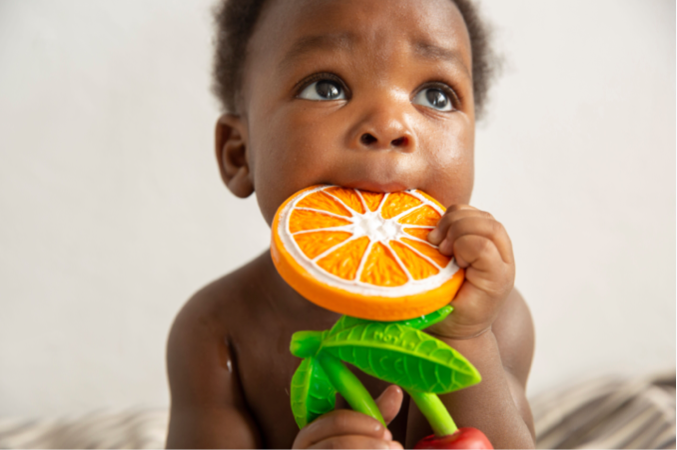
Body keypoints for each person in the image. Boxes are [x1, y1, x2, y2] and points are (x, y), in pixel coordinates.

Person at [166, 0, 535, 448]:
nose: (389, 124)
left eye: (435, 95)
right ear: (239, 155)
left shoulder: (497, 317)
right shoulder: (215, 330)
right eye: (326, 87)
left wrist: (466, 339)